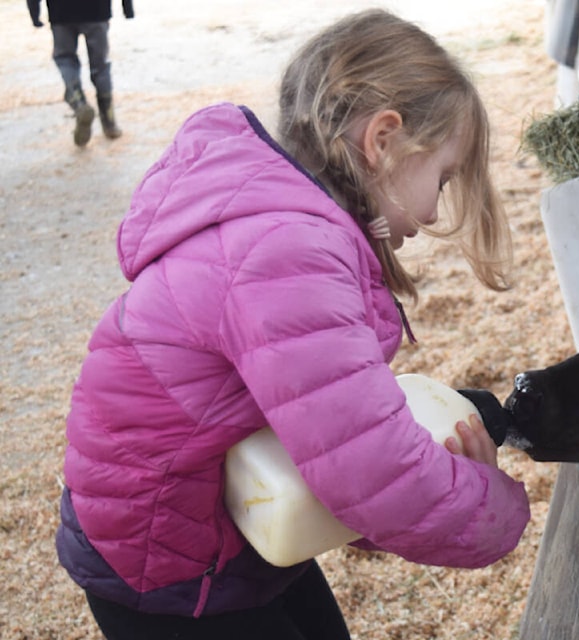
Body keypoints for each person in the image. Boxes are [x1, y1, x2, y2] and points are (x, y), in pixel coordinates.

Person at [54, 9, 530, 640]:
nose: (434, 209)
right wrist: (491, 502)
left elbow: (330, 437)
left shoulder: (283, 220)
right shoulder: (286, 251)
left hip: (219, 517)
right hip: (168, 557)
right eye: (441, 178)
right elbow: (371, 473)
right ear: (384, 139)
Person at [28, 0, 134, 146]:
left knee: (66, 59)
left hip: (61, 13)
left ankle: (78, 102)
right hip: (97, 11)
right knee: (101, 67)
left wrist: (34, 13)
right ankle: (109, 124)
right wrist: (127, 9)